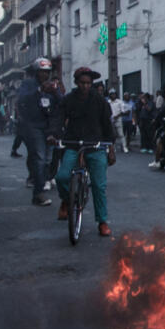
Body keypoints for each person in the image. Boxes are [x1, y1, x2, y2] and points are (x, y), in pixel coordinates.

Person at [51, 67, 117, 236]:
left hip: (95, 145)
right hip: (73, 143)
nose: (85, 86)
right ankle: (67, 200)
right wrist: (54, 134)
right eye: (82, 83)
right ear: (76, 83)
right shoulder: (68, 100)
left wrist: (110, 147)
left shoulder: (99, 101)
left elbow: (107, 125)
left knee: (98, 185)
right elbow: (58, 118)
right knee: (62, 177)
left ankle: (102, 221)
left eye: (88, 83)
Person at [16, 58, 60, 206]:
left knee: (48, 159)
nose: (45, 75)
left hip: (49, 126)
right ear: (36, 72)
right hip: (34, 125)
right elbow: (22, 100)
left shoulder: (52, 85)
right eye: (42, 72)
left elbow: (61, 103)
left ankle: (42, 183)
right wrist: (39, 90)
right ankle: (39, 192)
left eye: (47, 72)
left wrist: (55, 92)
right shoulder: (28, 84)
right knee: (40, 158)